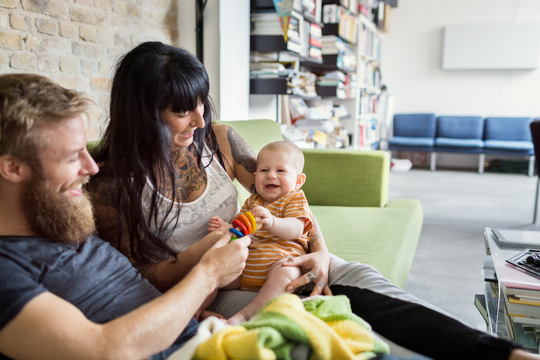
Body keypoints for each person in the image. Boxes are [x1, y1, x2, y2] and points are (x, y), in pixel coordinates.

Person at [89, 41, 537, 360]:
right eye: (183, 110)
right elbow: (140, 278)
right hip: (227, 286)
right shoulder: (111, 186)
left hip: (283, 248)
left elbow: (289, 195)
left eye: (202, 103)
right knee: (322, 314)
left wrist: (319, 251)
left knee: (365, 281)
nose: (201, 118)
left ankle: (501, 352)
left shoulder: (218, 141)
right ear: (144, 112)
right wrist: (205, 262)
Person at [0, 73, 251, 360]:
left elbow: (131, 299)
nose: (91, 167)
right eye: (72, 157)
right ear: (13, 168)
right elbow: (105, 350)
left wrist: (189, 309)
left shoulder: (60, 218)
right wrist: (208, 275)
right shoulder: (8, 268)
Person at [207, 140, 313, 324]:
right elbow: (240, 230)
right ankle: (198, 310)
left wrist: (272, 222)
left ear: (298, 181)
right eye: (264, 170)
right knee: (215, 267)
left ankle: (244, 316)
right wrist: (227, 228)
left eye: (280, 171)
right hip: (245, 270)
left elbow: (296, 229)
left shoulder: (293, 198)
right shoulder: (252, 201)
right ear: (255, 175)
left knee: (286, 273)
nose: (271, 176)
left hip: (280, 264)